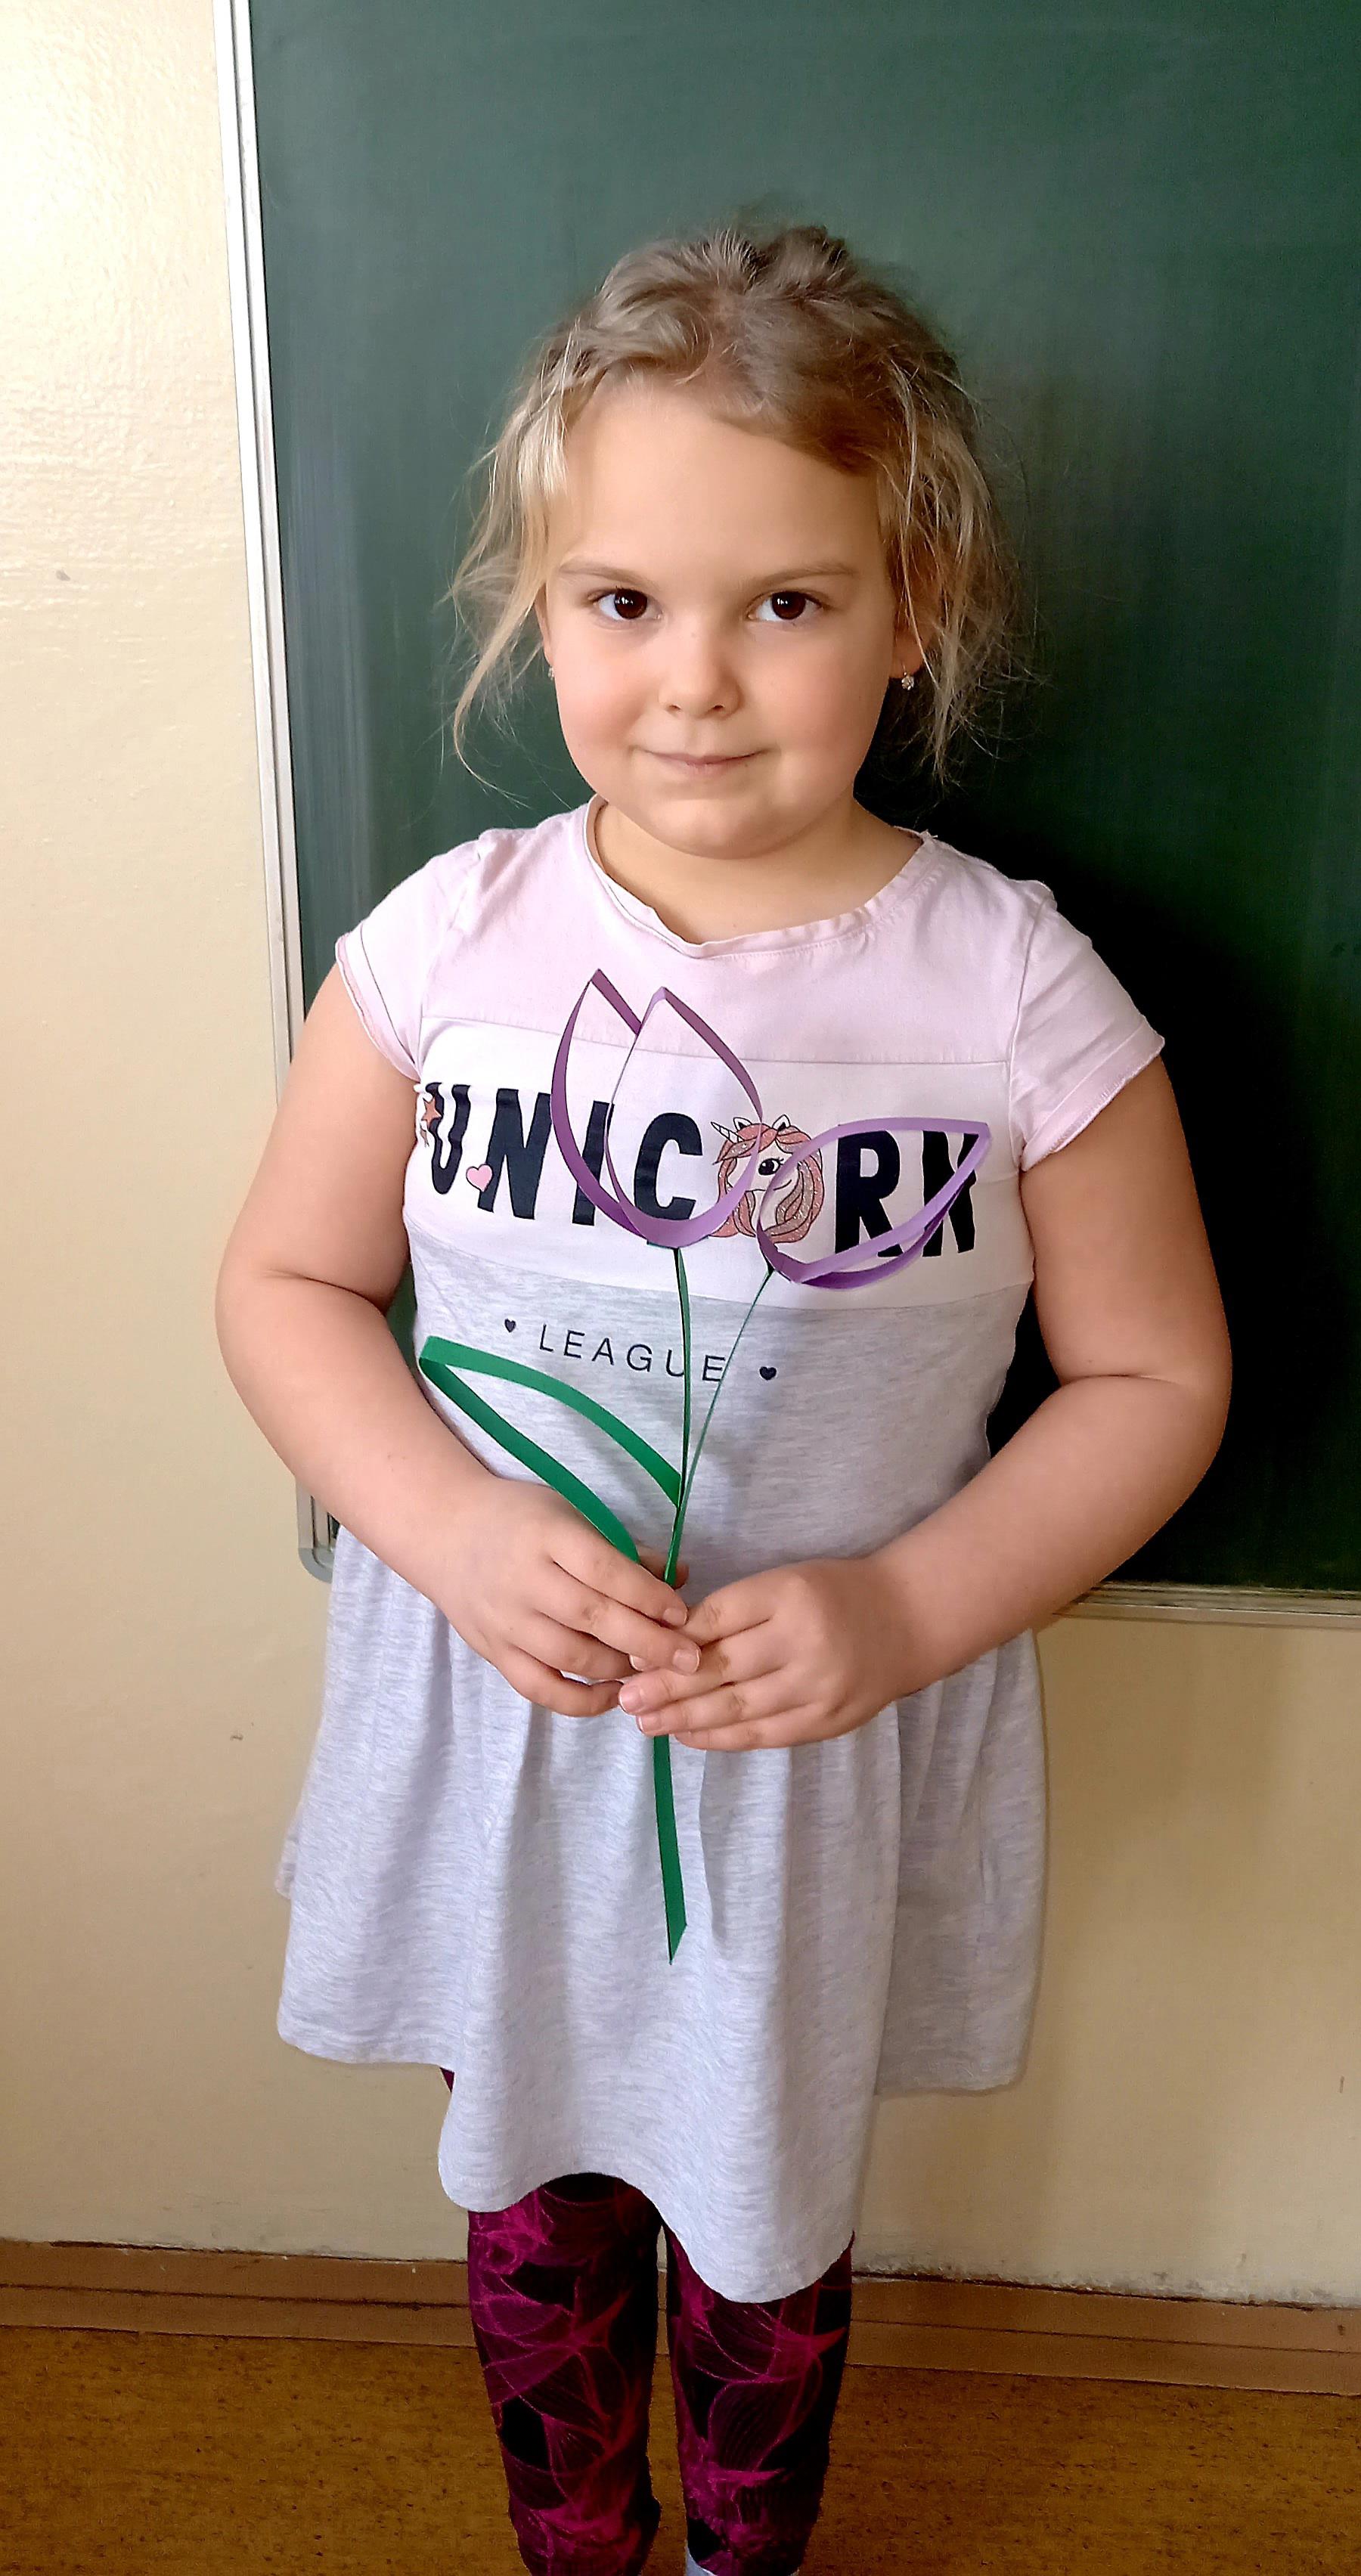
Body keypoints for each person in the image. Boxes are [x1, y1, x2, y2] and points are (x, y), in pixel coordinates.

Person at [215, 221, 1232, 2576]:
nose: (693, 683)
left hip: (802, 1759)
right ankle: (574, 2549)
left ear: (914, 606)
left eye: (784, 603)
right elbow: (285, 1282)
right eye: (621, 602)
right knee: (533, 2184)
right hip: (511, 1736)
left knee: (765, 2214)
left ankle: (736, 2563)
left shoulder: (1012, 990)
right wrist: (452, 1530)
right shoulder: (448, 949)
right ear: (540, 605)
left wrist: (903, 1609)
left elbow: (1157, 1373)